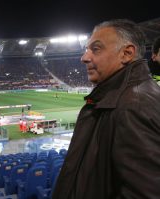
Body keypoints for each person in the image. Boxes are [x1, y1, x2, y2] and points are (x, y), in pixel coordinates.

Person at [52, 19, 160, 199]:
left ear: (126, 53)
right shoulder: (121, 98)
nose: (84, 57)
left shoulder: (133, 106)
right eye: (86, 50)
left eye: (96, 49)